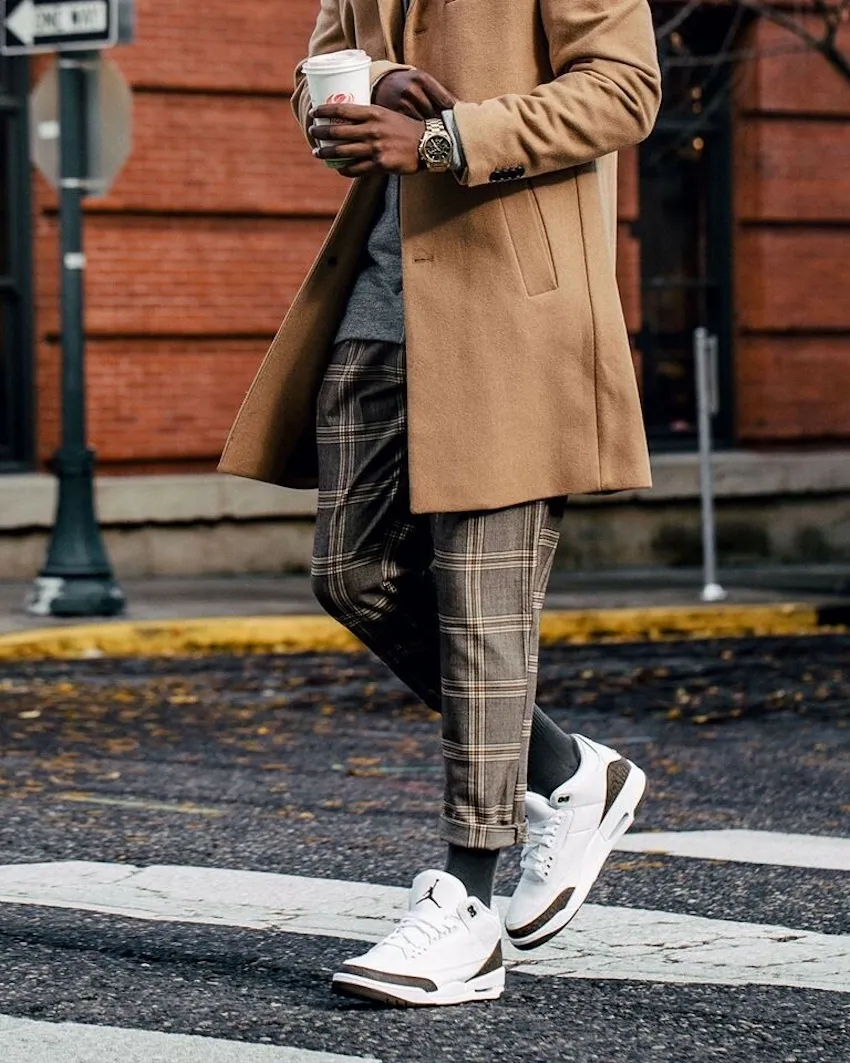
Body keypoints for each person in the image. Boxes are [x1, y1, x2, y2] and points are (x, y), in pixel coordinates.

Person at [219, 0, 662, 1007]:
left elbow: (625, 88)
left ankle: (466, 903)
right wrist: (359, 86)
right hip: (377, 304)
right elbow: (322, 65)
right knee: (351, 572)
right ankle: (568, 772)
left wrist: (443, 138)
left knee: (480, 607)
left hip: (511, 306)